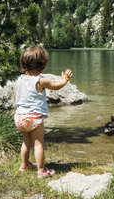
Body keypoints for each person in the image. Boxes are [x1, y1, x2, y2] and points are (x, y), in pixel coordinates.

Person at [13, 45, 73, 178]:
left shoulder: (19, 79)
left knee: (26, 142)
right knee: (38, 143)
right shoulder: (41, 80)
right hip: (34, 117)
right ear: (42, 65)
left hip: (20, 117)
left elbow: (15, 97)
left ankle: (25, 164)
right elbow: (56, 87)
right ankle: (41, 171)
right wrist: (64, 80)